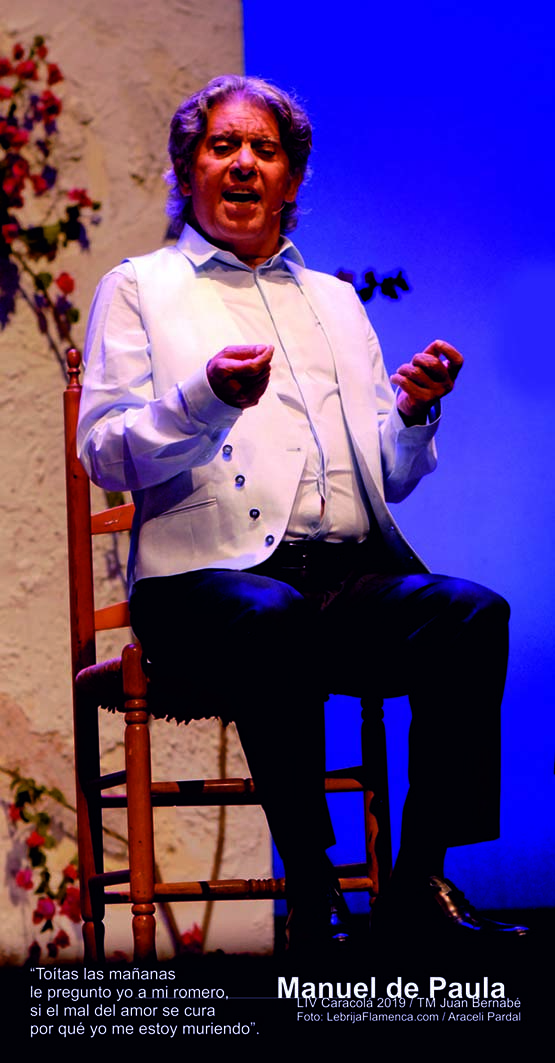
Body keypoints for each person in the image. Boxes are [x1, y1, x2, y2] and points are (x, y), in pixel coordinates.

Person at [77, 74, 527, 952]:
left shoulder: (334, 301)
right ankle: (314, 888)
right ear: (189, 170)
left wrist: (412, 412)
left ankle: (416, 881)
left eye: (265, 149)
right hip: (203, 585)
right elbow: (105, 452)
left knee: (471, 613)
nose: (244, 162)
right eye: (223, 146)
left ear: (290, 179)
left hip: (340, 582)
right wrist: (204, 398)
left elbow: (389, 477)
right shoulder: (139, 289)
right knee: (268, 614)